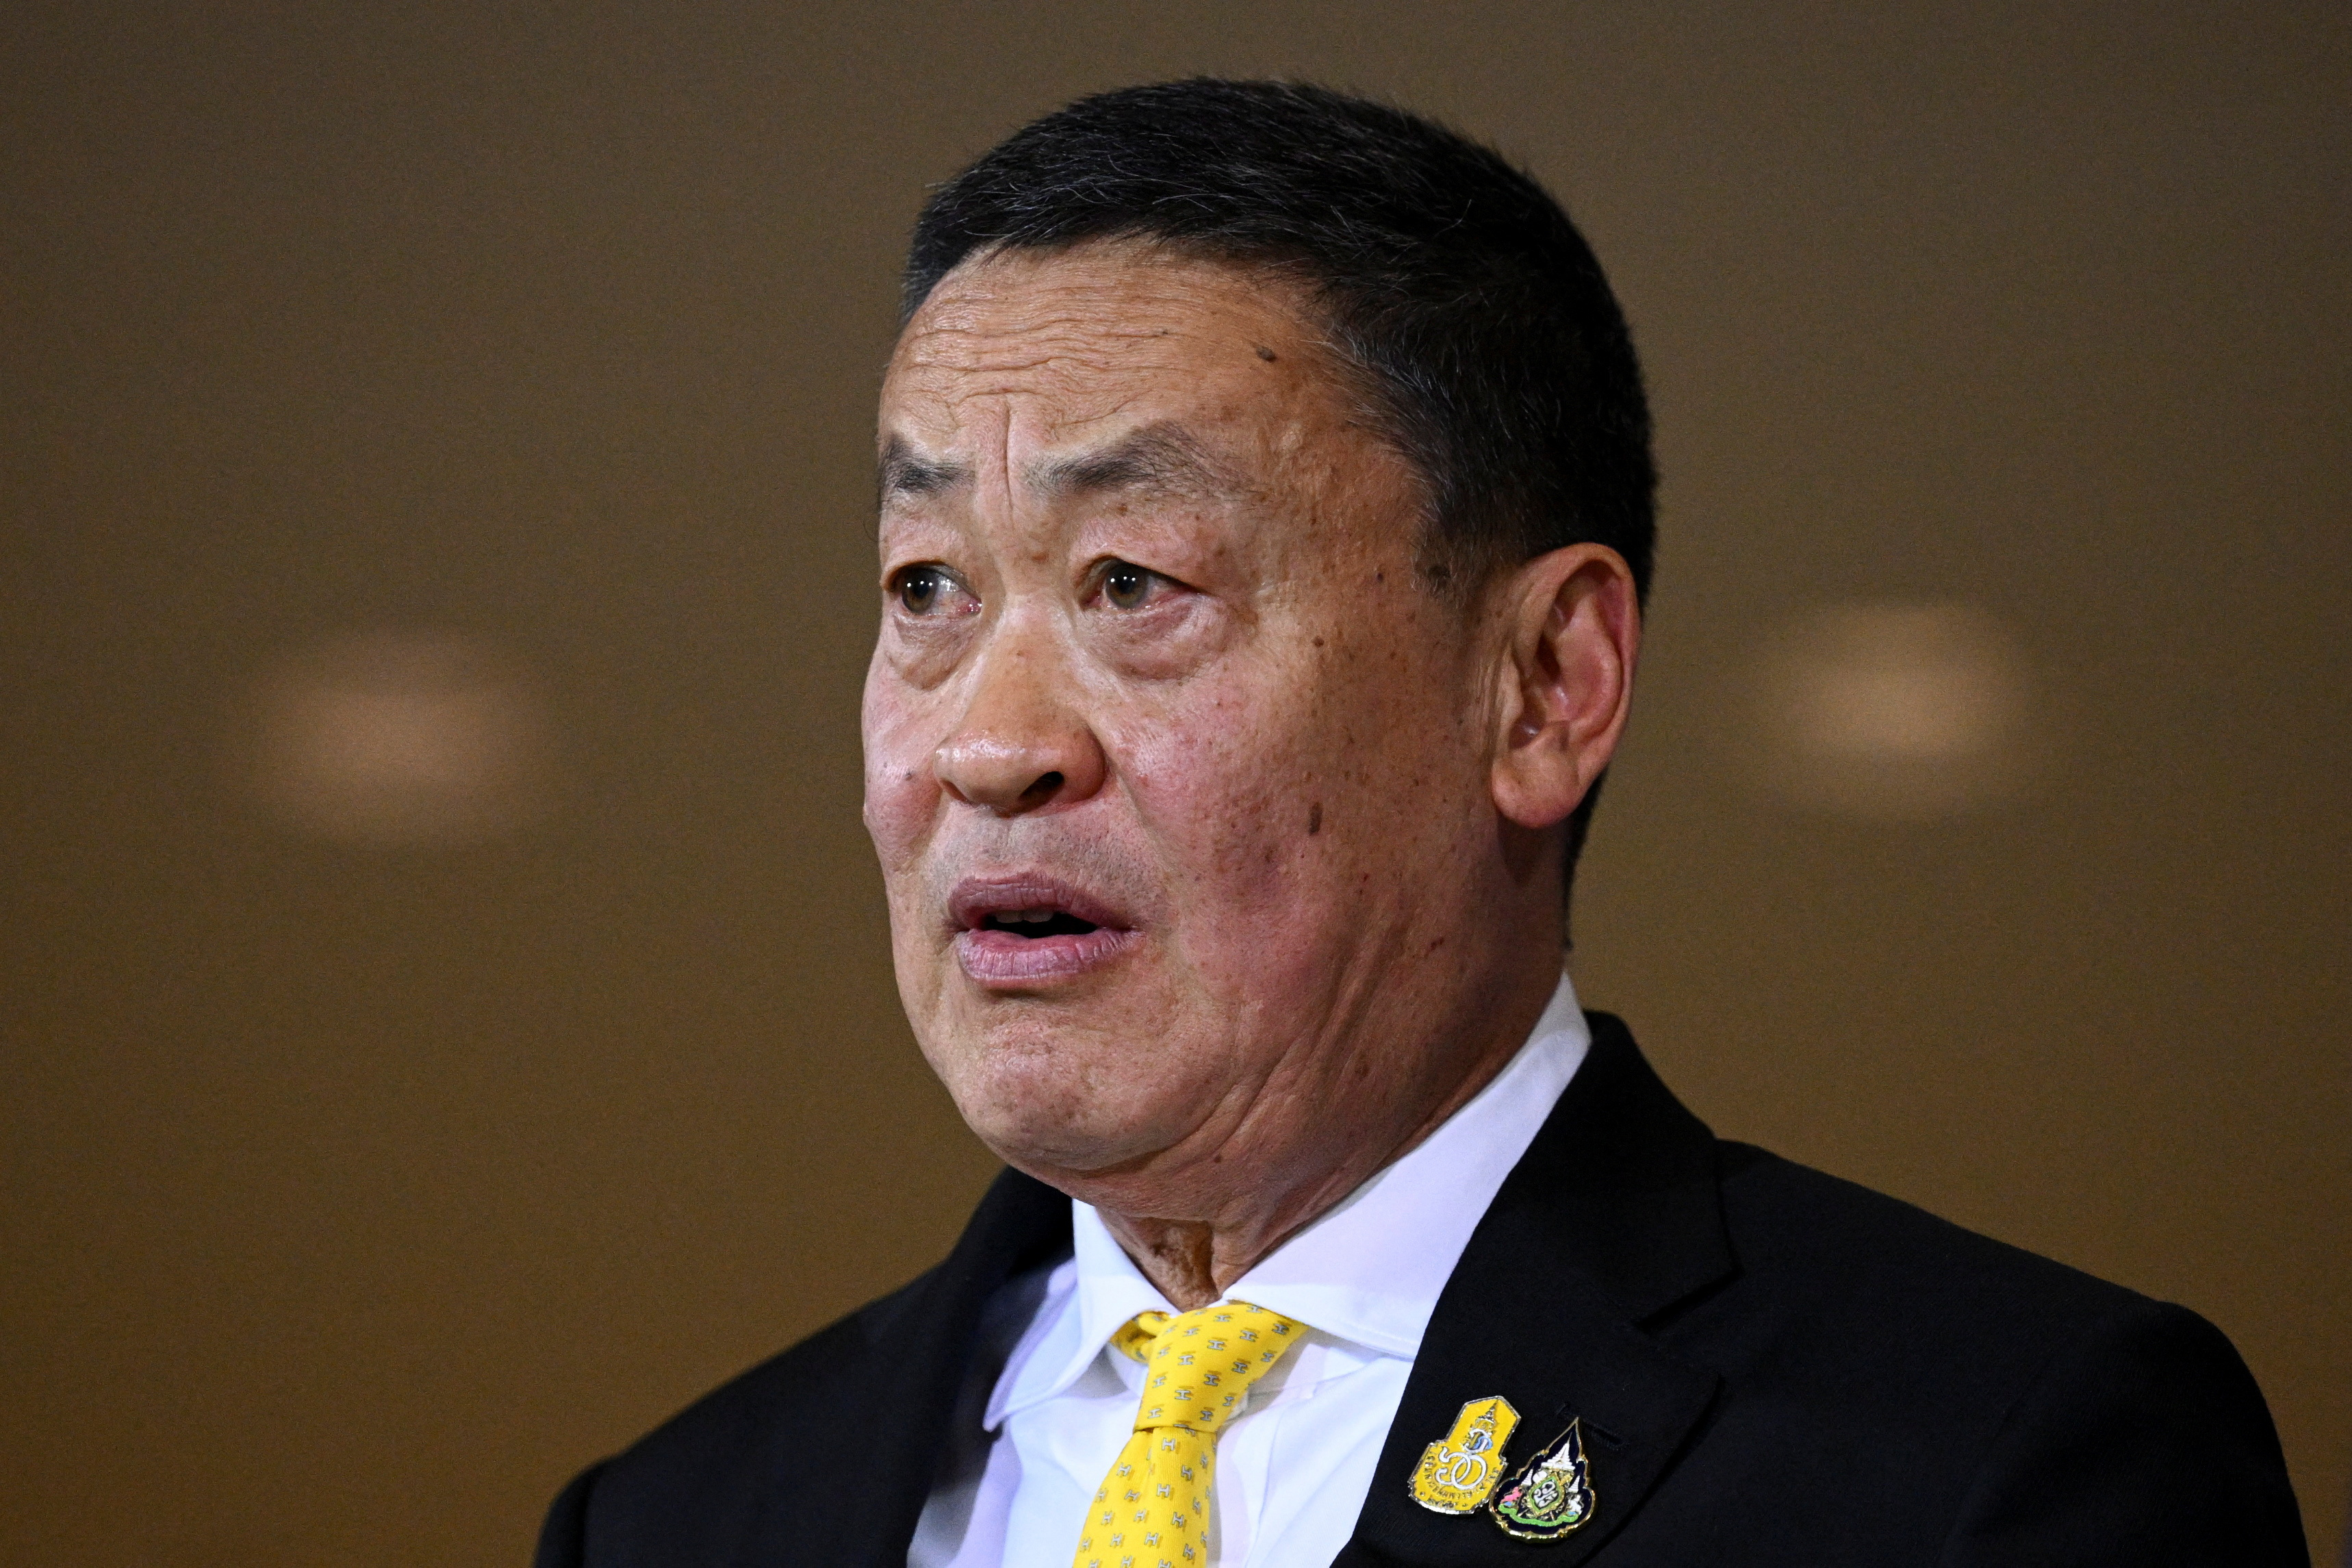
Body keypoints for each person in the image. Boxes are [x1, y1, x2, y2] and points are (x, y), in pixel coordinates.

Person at [533, 79, 2306, 1567]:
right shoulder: (672, 1523)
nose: (990, 748)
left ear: (1543, 686)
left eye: (1133, 580)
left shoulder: (1990, 1465)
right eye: (926, 585)